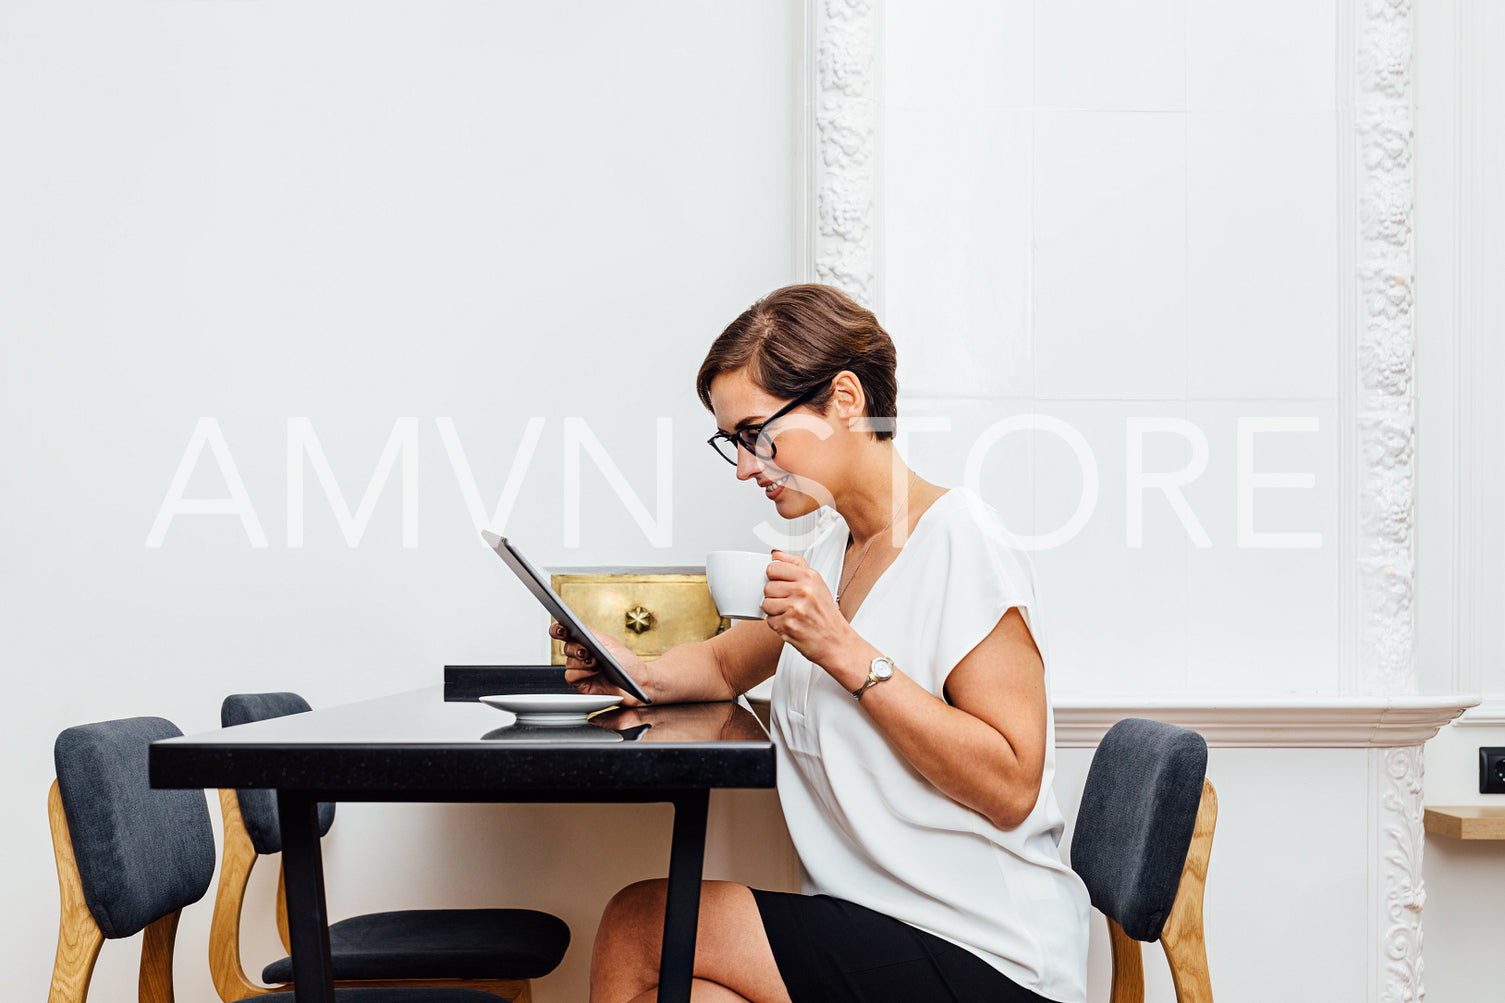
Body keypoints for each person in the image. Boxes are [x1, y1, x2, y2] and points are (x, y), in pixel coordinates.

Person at [553, 283, 1091, 1003]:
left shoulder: (963, 543)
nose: (747, 466)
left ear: (843, 398)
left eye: (755, 432)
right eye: (733, 444)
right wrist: (624, 666)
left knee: (638, 924)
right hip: (879, 922)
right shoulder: (833, 549)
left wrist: (843, 649)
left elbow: (1013, 786)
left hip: (986, 950)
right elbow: (719, 662)